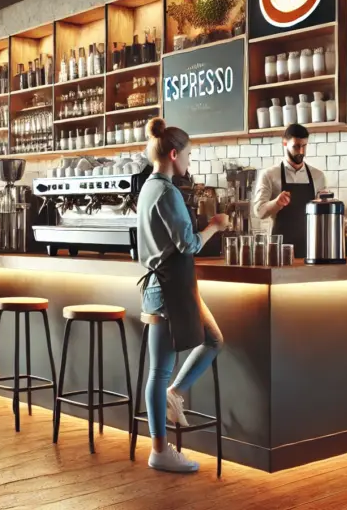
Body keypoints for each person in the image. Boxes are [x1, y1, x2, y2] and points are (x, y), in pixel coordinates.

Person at [136, 117, 230, 473]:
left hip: (172, 287)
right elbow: (188, 244)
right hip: (168, 291)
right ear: (174, 154)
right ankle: (159, 450)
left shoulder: (149, 187)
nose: (190, 162)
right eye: (188, 155)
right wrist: (214, 226)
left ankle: (177, 393)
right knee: (158, 372)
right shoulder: (166, 191)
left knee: (214, 339)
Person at [252, 123, 327, 258]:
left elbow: (323, 214)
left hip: (311, 248)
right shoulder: (269, 175)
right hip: (279, 250)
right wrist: (276, 203)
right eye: (296, 146)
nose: (301, 152)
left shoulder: (318, 176)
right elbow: (259, 211)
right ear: (285, 143)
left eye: (304, 146)